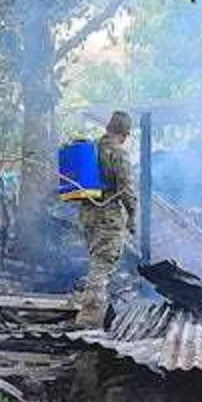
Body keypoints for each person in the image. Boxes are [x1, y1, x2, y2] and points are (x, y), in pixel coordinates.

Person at [76, 111, 138, 328]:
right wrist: (132, 216)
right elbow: (126, 189)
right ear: (125, 133)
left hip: (88, 215)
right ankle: (88, 319)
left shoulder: (92, 148)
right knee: (102, 267)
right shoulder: (118, 153)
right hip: (108, 216)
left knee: (97, 263)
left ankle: (97, 311)